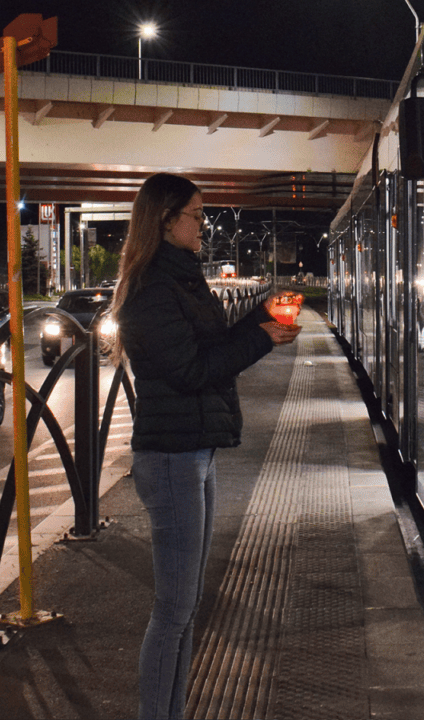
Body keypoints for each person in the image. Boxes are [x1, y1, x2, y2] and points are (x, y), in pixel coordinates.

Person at [101, 172, 300, 720]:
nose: (202, 225)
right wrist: (262, 338)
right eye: (195, 215)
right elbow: (192, 369)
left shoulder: (182, 280)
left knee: (184, 611)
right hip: (170, 459)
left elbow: (213, 343)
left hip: (195, 453)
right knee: (173, 610)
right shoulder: (150, 293)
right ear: (165, 222)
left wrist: (263, 320)